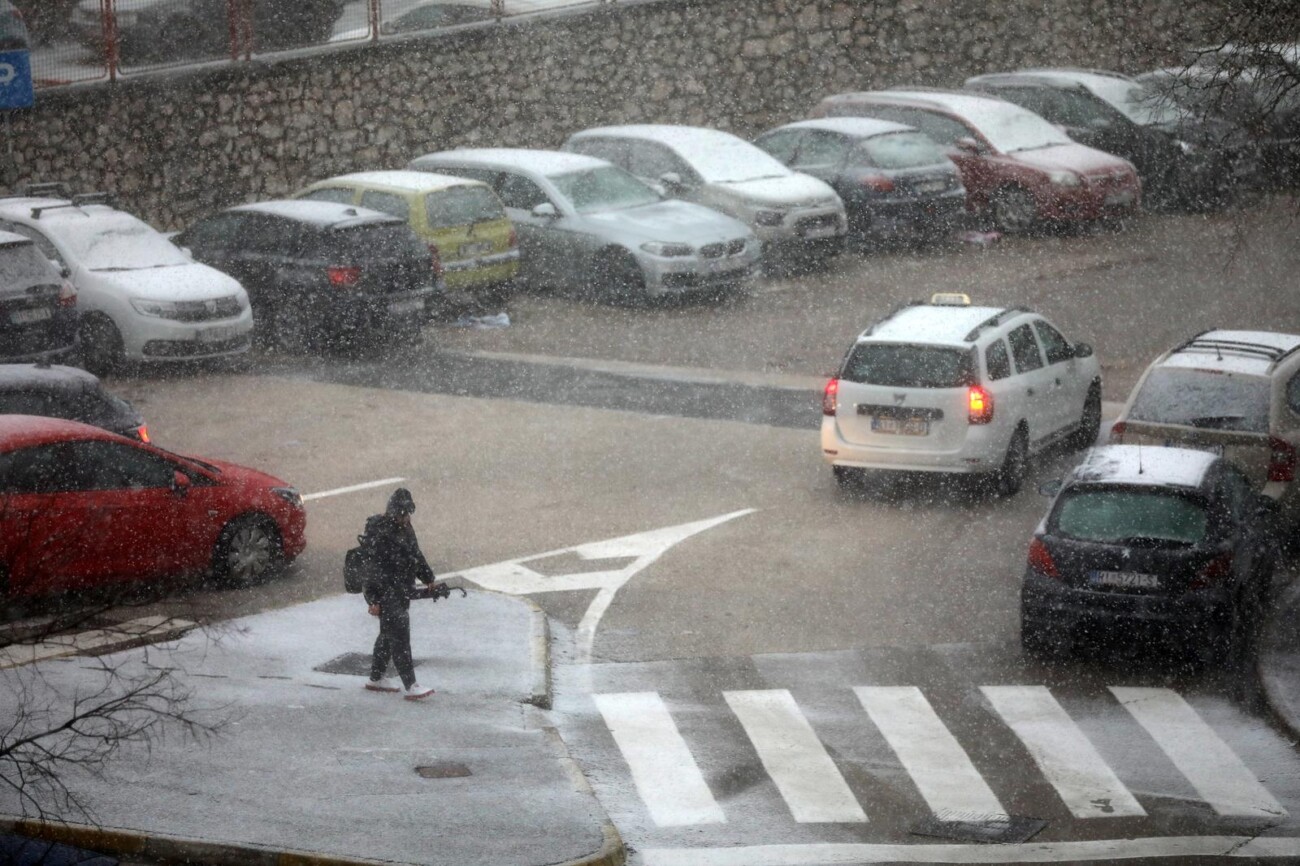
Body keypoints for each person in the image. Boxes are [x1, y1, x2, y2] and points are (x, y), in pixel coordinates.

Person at [361, 487, 442, 700]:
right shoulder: (380, 533)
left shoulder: (405, 528)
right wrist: (373, 600)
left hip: (402, 589)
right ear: (393, 512)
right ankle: (411, 685)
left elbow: (415, 554)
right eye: (403, 514)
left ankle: (376, 678)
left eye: (407, 514)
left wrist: (428, 578)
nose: (406, 519)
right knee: (400, 634)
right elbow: (371, 571)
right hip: (387, 592)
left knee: (387, 636)